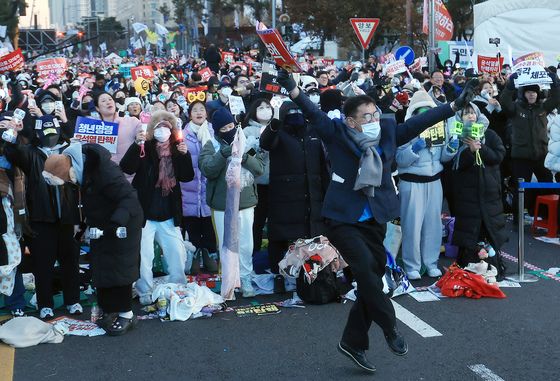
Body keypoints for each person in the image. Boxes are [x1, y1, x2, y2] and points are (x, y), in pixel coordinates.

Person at [275, 69, 474, 372]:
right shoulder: (337, 133)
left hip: (375, 218)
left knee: (373, 275)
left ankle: (353, 342)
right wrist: (293, 89)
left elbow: (418, 122)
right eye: (365, 117)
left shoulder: (388, 132)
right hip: (342, 218)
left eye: (374, 113)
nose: (372, 120)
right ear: (351, 121)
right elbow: (313, 113)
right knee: (367, 275)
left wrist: (453, 106)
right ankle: (390, 327)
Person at [42, 142, 142, 336]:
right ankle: (110, 310)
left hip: (123, 222)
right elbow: (90, 201)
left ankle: (127, 314)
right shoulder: (82, 170)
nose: (70, 183)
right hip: (102, 222)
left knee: (119, 266)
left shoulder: (103, 169)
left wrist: (116, 223)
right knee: (100, 265)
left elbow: (128, 197)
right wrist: (83, 225)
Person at [4, 113, 82, 320]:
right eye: (46, 132)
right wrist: (12, 133)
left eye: (53, 131)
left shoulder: (69, 151)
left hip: (67, 216)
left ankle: (73, 300)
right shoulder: (31, 153)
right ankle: (45, 304)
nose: (50, 136)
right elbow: (13, 153)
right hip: (41, 217)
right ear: (38, 133)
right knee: (43, 264)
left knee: (70, 261)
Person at [120, 110, 194, 305]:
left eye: (167, 127)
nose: (163, 130)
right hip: (144, 212)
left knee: (176, 252)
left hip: (169, 212)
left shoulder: (178, 148)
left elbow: (187, 176)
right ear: (152, 129)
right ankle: (144, 291)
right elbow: (127, 167)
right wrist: (137, 146)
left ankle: (178, 287)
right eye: (159, 126)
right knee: (144, 255)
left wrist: (185, 155)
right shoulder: (146, 147)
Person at [260, 100, 328, 293]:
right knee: (280, 237)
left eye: (299, 110)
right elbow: (265, 142)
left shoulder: (313, 132)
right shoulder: (278, 132)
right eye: (291, 112)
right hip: (284, 197)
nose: (295, 114)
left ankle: (311, 276)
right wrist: (274, 122)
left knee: (311, 237)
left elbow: (322, 165)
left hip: (311, 194)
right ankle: (278, 275)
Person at [199, 107, 265, 298]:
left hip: (245, 202)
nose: (229, 130)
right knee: (226, 245)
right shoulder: (211, 145)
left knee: (246, 243)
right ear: (217, 130)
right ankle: (229, 281)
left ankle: (245, 278)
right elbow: (207, 169)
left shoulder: (247, 142)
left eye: (231, 125)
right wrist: (223, 154)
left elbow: (259, 167)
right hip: (221, 204)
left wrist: (244, 156)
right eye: (224, 127)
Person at [396, 90, 459, 280]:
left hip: (434, 181)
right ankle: (411, 264)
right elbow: (399, 160)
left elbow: (444, 158)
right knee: (412, 226)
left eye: (429, 111)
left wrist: (451, 148)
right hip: (411, 182)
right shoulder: (405, 130)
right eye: (421, 112)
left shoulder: (440, 128)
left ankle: (431, 262)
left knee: (433, 225)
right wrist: (414, 148)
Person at [449, 103, 507, 277]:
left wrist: (482, 147)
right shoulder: (456, 136)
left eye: (472, 113)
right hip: (467, 193)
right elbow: (453, 164)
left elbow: (499, 155)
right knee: (469, 229)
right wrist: (468, 152)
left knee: (490, 228)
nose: (470, 116)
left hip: (489, 191)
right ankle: (467, 266)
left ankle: (493, 266)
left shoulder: (489, 134)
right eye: (466, 113)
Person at [500, 72, 560, 220]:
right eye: (528, 92)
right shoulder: (515, 108)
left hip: (541, 156)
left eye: (534, 92)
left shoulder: (543, 107)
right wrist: (510, 85)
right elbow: (504, 101)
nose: (532, 95)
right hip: (521, 157)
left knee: (548, 186)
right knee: (521, 191)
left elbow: (557, 97)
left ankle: (547, 216)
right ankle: (518, 219)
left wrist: (555, 82)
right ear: (523, 93)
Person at [180, 101, 218, 274]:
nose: (198, 112)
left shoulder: (213, 132)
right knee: (192, 227)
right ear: (189, 114)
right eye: (194, 110)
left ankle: (209, 254)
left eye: (201, 109)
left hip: (209, 189)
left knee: (209, 228)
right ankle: (194, 255)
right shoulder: (182, 134)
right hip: (189, 189)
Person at [242, 99, 272, 257]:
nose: (265, 110)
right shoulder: (248, 131)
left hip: (276, 182)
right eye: (261, 107)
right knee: (257, 222)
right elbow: (247, 156)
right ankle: (254, 254)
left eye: (268, 107)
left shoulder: (277, 128)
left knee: (275, 221)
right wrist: (258, 147)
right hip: (257, 183)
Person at [93, 92, 141, 165]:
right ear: (97, 108)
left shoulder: (131, 121)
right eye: (103, 101)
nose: (108, 102)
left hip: (131, 174)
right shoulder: (93, 128)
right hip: (106, 174)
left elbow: (145, 131)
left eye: (110, 99)